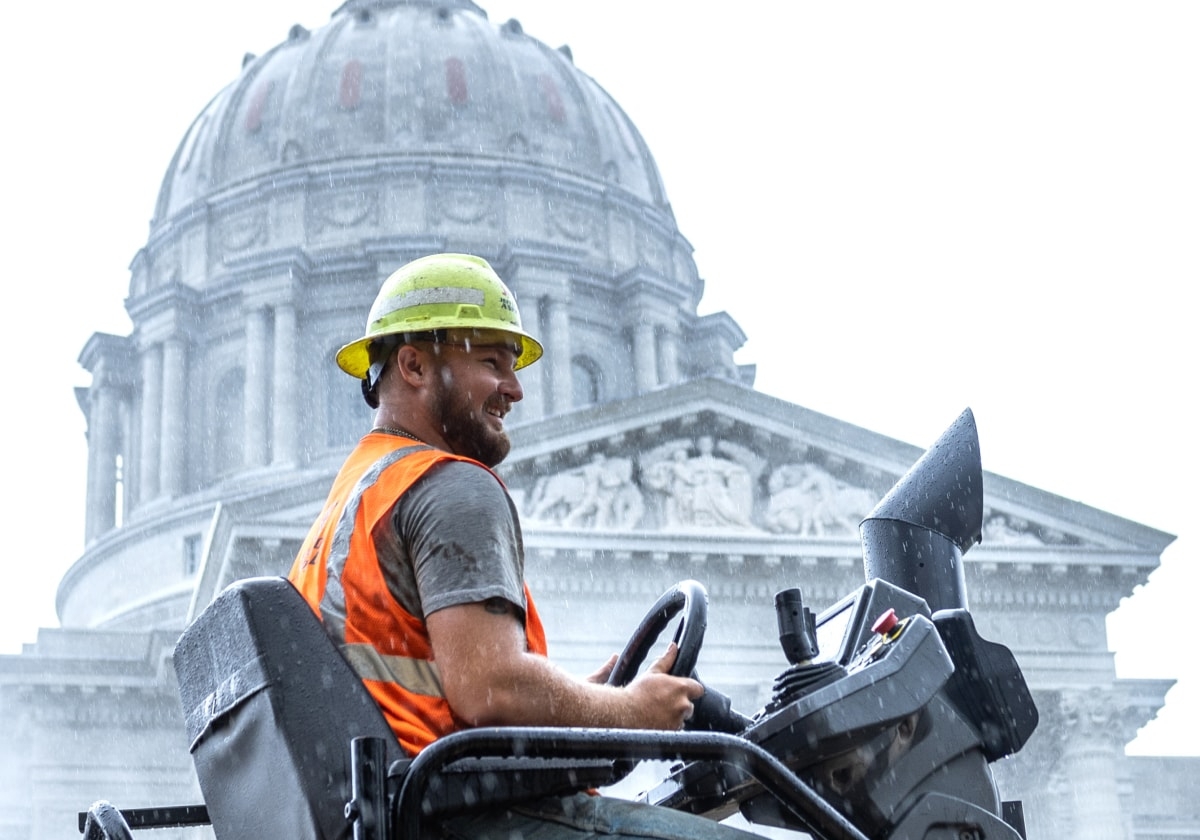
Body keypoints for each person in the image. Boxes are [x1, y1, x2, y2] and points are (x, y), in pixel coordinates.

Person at [288, 253, 759, 839]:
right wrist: (632, 711)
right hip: (465, 816)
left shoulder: (357, 500)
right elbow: (491, 688)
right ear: (412, 364)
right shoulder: (449, 486)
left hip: (407, 802)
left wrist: (585, 702)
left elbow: (442, 686)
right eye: (491, 362)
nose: (514, 389)